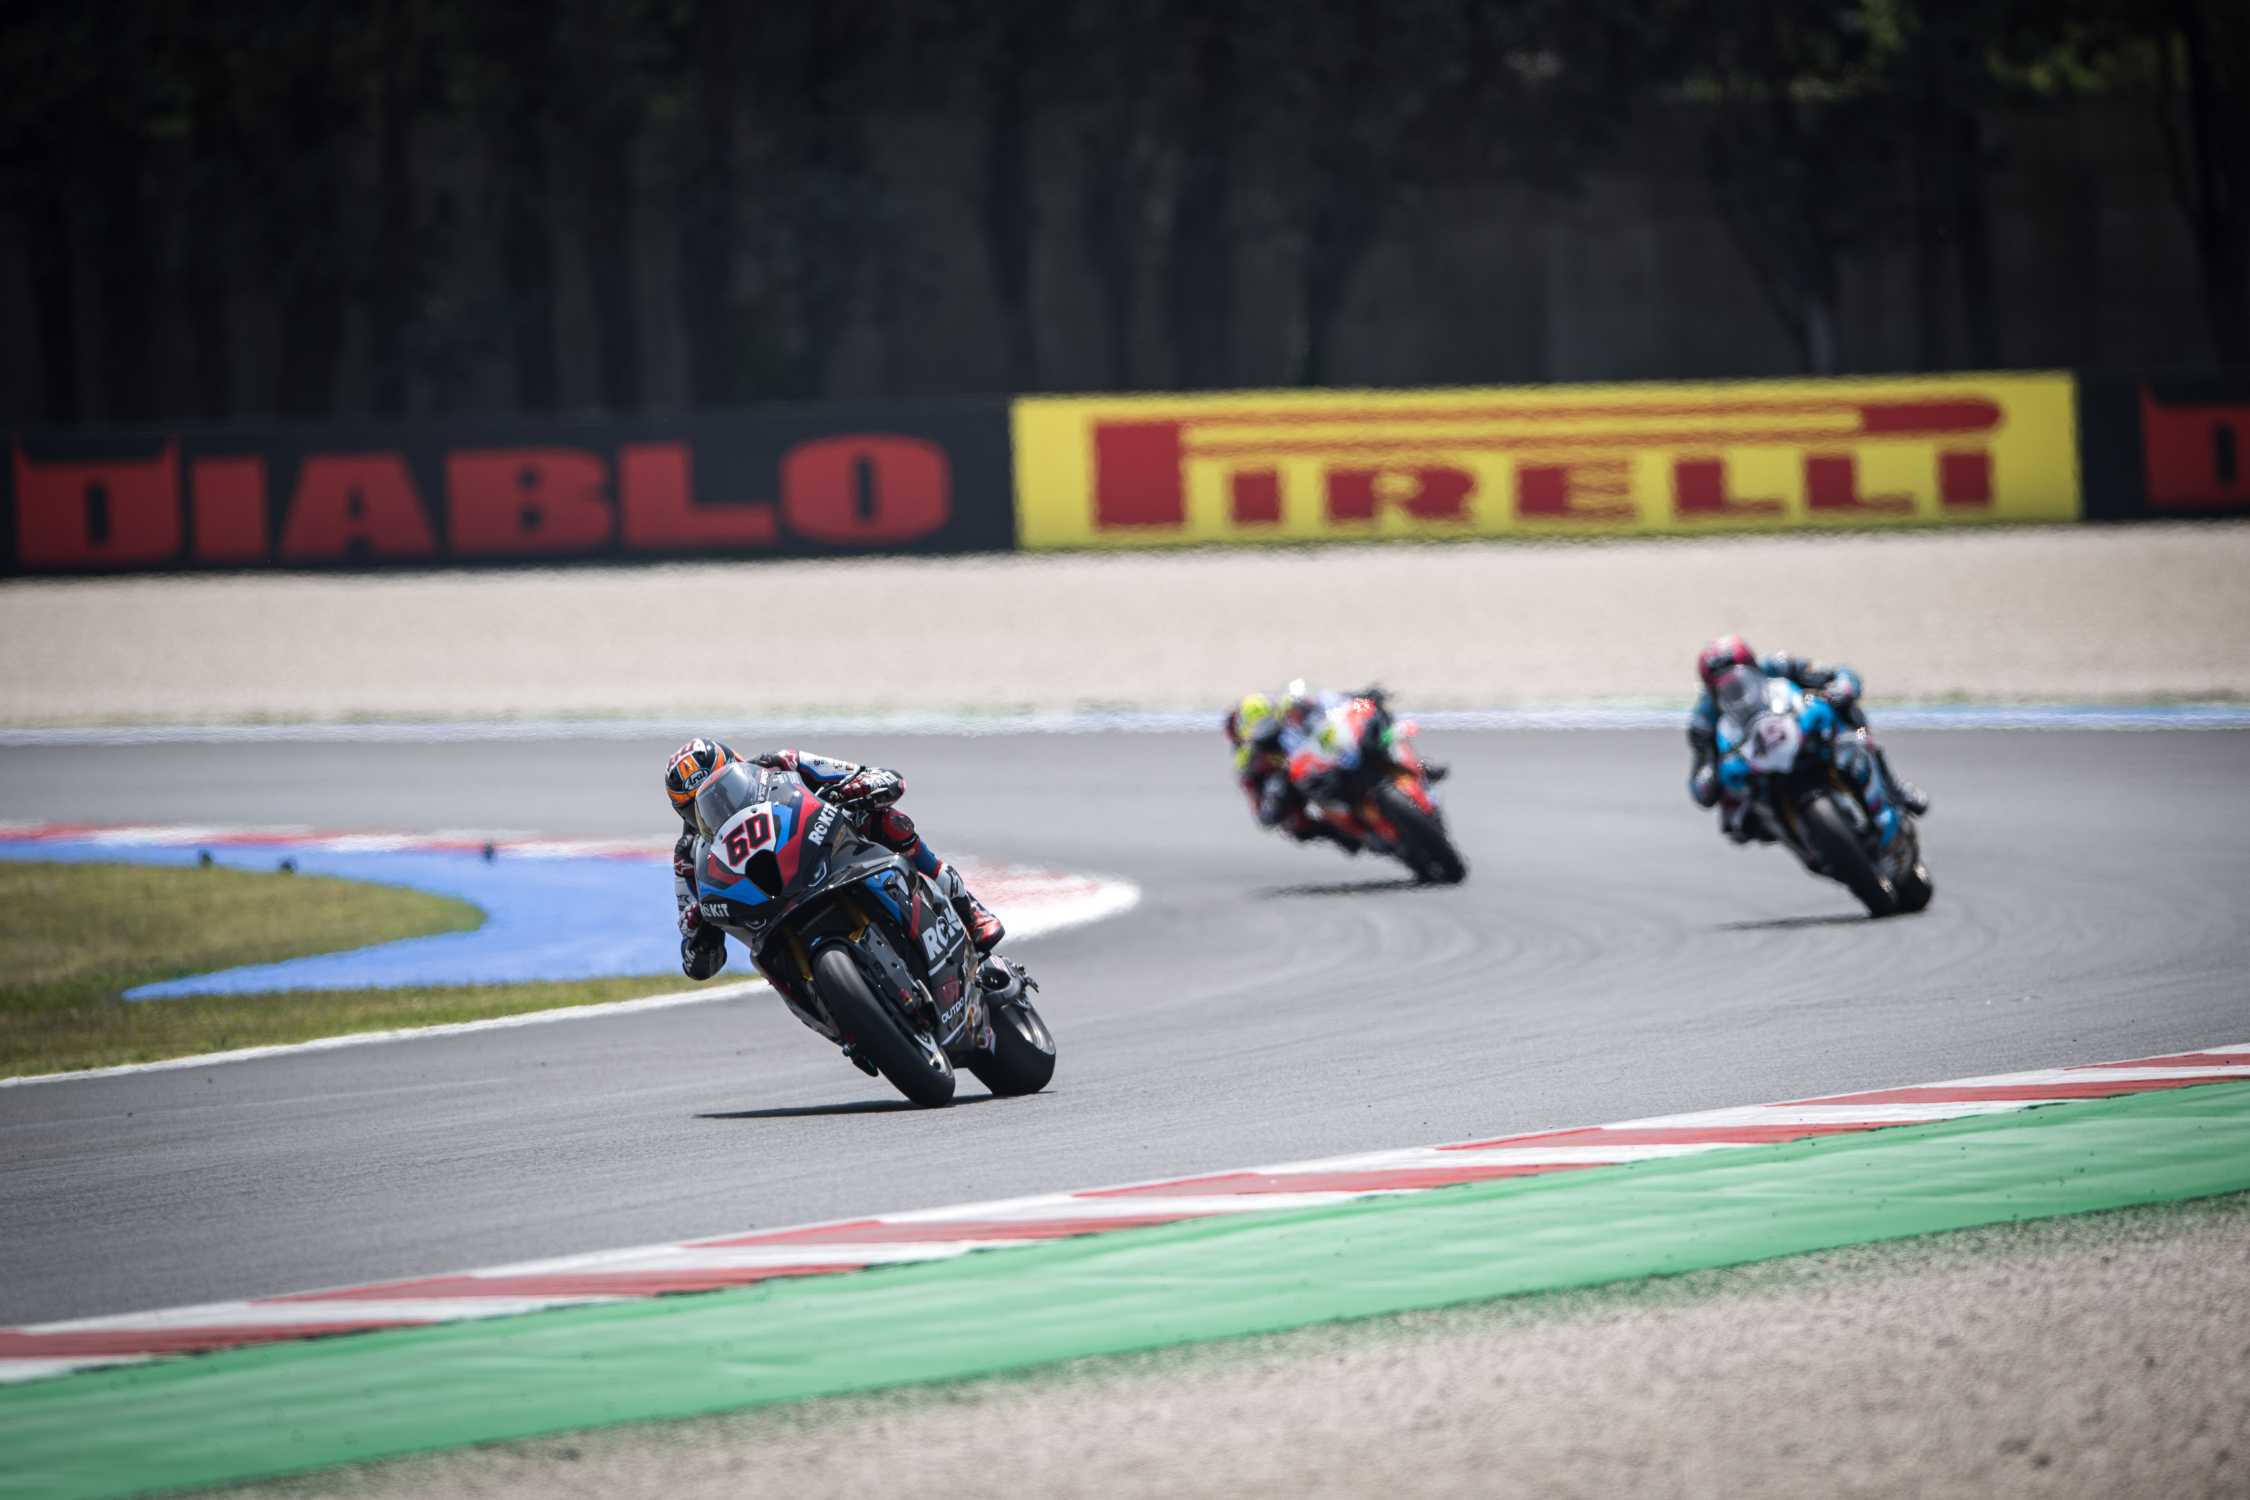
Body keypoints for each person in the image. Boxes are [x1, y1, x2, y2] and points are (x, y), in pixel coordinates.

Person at [663, 738, 1004, 981]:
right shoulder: (688, 856)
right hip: (769, 914)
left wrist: (862, 786)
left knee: (886, 821)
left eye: (724, 787)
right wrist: (696, 929)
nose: (719, 805)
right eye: (697, 805)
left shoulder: (781, 763)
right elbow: (696, 959)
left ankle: (967, 906)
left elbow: (875, 776)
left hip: (823, 854)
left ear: (739, 766)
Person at [1686, 635, 1929, 841]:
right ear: (1711, 690)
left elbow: (1838, 674)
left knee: (1852, 720)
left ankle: (1892, 786)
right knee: (1735, 821)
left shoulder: (1779, 665)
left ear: (1753, 665)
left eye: (1740, 674)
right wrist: (1709, 775)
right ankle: (1793, 835)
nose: (1734, 688)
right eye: (1721, 685)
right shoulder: (1703, 720)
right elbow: (1700, 781)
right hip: (1756, 762)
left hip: (1799, 730)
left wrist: (1842, 687)